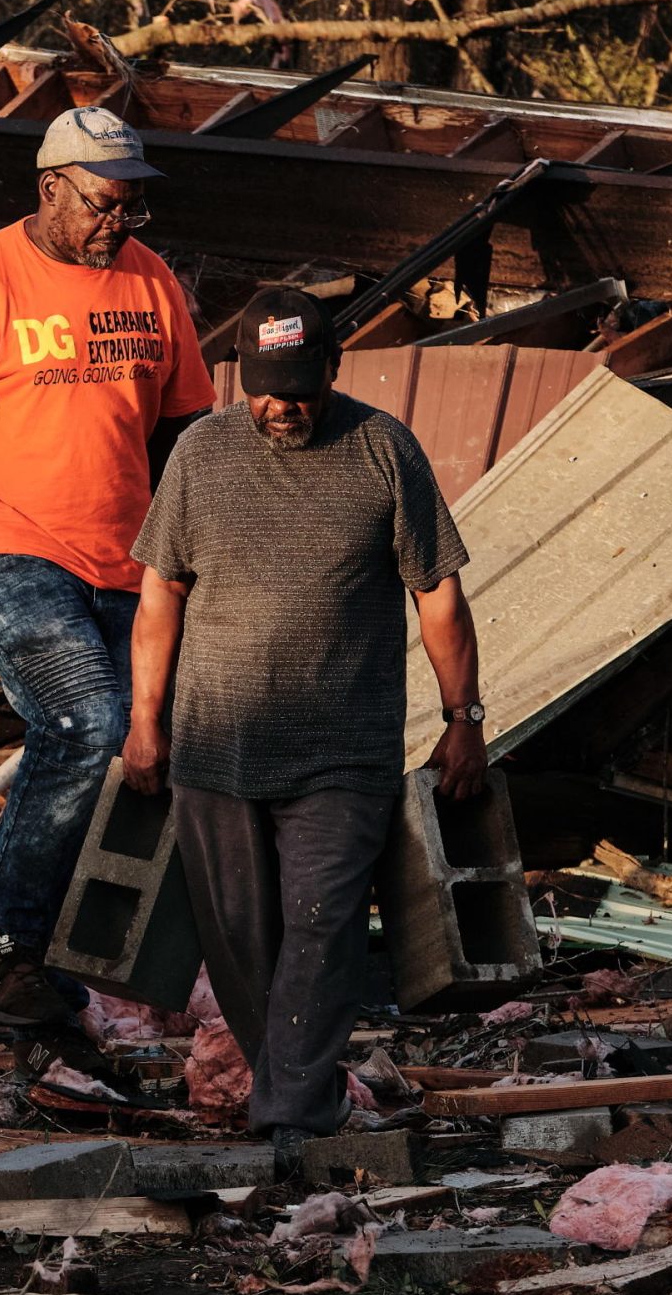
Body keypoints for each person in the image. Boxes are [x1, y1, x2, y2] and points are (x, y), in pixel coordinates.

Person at [122, 285, 486, 1177]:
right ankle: (301, 1093)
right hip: (216, 746)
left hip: (344, 748)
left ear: (333, 367)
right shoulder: (201, 455)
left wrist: (463, 717)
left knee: (322, 924)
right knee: (241, 937)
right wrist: (145, 720)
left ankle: (288, 1117)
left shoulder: (382, 448)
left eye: (299, 385)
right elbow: (160, 592)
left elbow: (435, 590)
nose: (282, 404)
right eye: (265, 387)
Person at [0, 106, 215, 1030]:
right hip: (3, 548)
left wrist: (202, 566)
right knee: (86, 720)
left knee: (177, 739)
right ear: (50, 188)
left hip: (127, 562)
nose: (120, 221)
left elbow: (186, 434)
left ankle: (144, 962)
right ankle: (7, 956)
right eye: (106, 202)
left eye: (134, 206)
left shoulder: (152, 286)